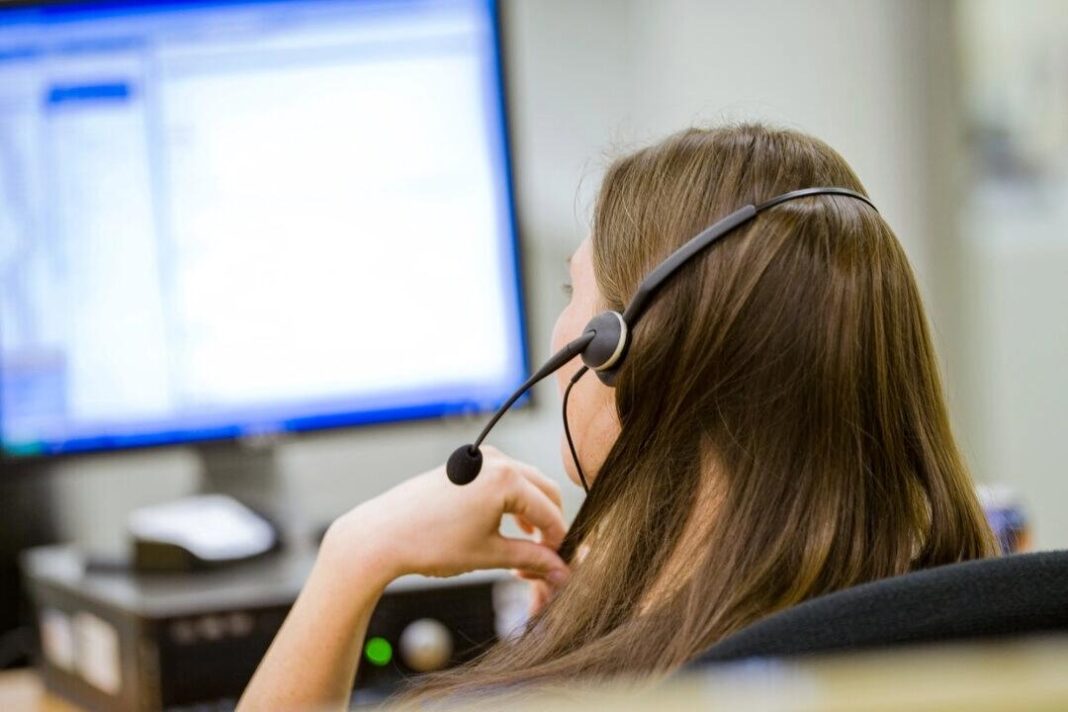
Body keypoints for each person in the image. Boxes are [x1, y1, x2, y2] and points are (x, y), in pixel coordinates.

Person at [238, 124, 996, 710]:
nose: (559, 334)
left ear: (622, 348)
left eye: (575, 293)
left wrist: (353, 557)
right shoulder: (971, 623)